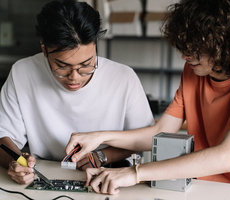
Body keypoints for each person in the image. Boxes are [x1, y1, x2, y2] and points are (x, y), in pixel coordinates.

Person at [65, 0, 230, 195]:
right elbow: (159, 131)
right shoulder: (195, 70)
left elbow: (228, 157)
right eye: (184, 48)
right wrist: (100, 137)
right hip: (203, 186)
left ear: (224, 43)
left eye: (195, 50)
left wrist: (135, 172)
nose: (185, 56)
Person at [0, 0, 154, 185]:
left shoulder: (123, 78)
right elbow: (3, 137)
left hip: (110, 175)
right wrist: (15, 162)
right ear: (44, 50)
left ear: (95, 44)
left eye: (86, 65)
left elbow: (145, 139)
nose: (75, 77)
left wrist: (102, 156)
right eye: (62, 67)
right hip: (44, 175)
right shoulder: (22, 73)